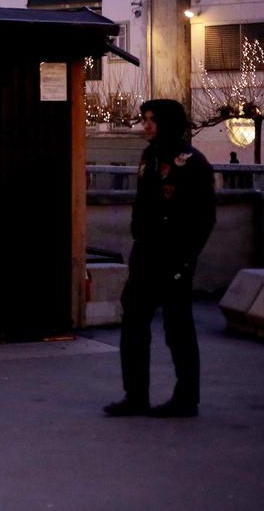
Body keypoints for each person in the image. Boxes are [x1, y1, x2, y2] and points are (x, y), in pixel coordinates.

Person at [105, 99, 215, 419]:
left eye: (152, 119)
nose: (146, 125)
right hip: (145, 255)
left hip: (174, 258)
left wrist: (185, 259)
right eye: (145, 119)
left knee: (178, 329)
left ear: (168, 122)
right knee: (134, 325)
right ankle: (135, 396)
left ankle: (186, 399)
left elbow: (204, 218)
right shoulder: (149, 156)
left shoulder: (192, 162)